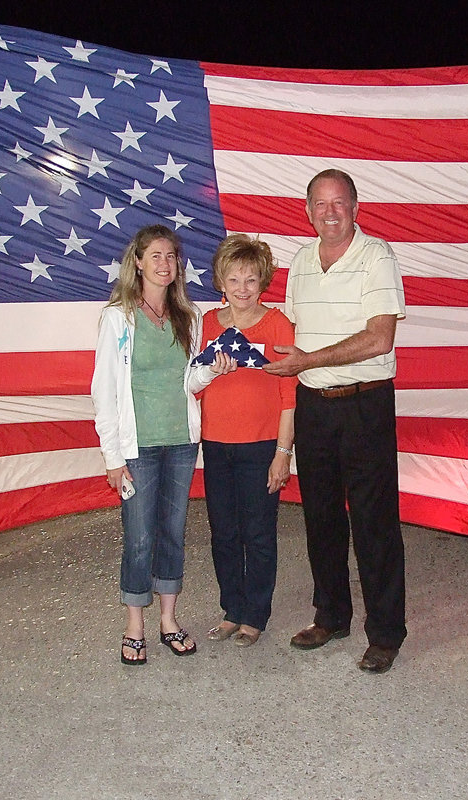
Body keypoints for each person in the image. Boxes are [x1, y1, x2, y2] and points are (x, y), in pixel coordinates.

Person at [263, 169, 407, 674]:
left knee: (374, 521)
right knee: (320, 517)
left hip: (364, 404)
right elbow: (291, 332)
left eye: (339, 203)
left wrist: (307, 362)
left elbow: (379, 339)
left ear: (356, 208)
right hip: (314, 407)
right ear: (306, 210)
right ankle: (331, 615)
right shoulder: (301, 262)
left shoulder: (377, 257)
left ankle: (386, 632)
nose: (330, 212)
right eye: (320, 204)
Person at [91, 224, 231, 666]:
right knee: (139, 537)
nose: (164, 263)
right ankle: (135, 626)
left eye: (171, 255)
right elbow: (103, 391)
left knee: (173, 534)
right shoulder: (117, 318)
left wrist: (212, 372)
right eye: (155, 255)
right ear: (137, 261)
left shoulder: (188, 316)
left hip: (181, 443)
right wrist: (113, 457)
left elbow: (189, 379)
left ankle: (169, 620)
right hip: (138, 448)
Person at [197, 234, 297, 647]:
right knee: (223, 531)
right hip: (216, 445)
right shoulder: (204, 324)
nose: (242, 288)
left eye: (250, 280)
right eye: (234, 279)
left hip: (261, 447)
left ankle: (255, 614)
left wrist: (282, 454)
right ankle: (231, 609)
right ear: (221, 281)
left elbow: (289, 397)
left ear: (263, 282)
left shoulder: (277, 324)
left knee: (257, 532)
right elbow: (192, 385)